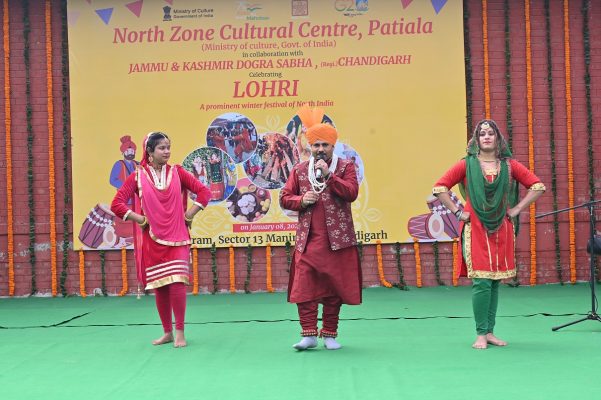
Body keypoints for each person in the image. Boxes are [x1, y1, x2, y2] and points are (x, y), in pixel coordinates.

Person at [433, 119, 545, 349]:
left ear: (497, 139)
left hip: (502, 228)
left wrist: (515, 210)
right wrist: (457, 212)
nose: (486, 137)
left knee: (495, 282)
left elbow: (537, 186)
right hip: (475, 228)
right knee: (482, 281)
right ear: (476, 139)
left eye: (490, 133)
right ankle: (480, 333)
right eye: (482, 133)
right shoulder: (466, 164)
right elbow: (440, 187)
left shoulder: (509, 165)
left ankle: (490, 331)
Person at [111, 131, 211, 348]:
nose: (167, 151)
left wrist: (190, 214)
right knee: (161, 286)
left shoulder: (178, 172)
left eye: (168, 147)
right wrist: (140, 219)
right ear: (149, 151)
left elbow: (204, 193)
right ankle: (167, 332)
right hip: (153, 240)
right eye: (162, 148)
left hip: (178, 237)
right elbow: (117, 204)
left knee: (176, 283)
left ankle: (180, 332)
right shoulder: (137, 176)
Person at [280, 106, 362, 351]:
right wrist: (301, 200)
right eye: (316, 146)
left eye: (324, 145)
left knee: (333, 289)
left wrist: (331, 177)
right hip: (308, 240)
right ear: (309, 147)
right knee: (304, 287)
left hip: (337, 241)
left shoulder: (345, 167)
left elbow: (352, 193)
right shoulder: (299, 170)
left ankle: (329, 334)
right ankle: (308, 335)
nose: (320, 150)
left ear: (333, 146)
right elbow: (285, 197)